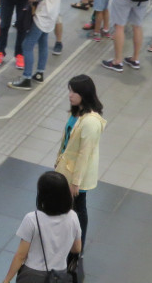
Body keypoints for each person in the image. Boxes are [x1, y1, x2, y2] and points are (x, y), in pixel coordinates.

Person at [0, 171, 82, 283]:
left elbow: (21, 255)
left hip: (32, 275)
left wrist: (6, 280)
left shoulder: (32, 219)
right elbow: (77, 248)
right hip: (59, 276)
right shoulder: (73, 217)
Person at [54, 75, 106, 249]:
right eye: (70, 90)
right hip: (66, 169)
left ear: (85, 94)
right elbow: (67, 141)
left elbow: (85, 155)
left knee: (78, 208)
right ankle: (69, 241)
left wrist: (76, 182)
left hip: (76, 174)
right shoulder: (77, 112)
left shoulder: (90, 122)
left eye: (74, 91)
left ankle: (78, 245)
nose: (70, 95)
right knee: (69, 208)